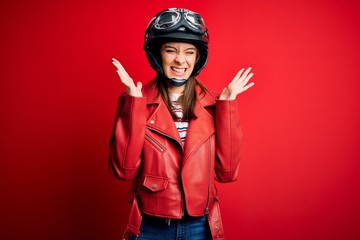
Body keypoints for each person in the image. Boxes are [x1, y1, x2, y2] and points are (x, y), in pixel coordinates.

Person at [108, 8, 254, 240]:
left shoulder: (214, 105)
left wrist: (227, 105)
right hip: (150, 227)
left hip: (200, 226)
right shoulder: (136, 102)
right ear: (157, 54)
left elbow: (226, 173)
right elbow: (123, 170)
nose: (180, 60)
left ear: (197, 58)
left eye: (189, 52)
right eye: (170, 50)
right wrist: (134, 105)